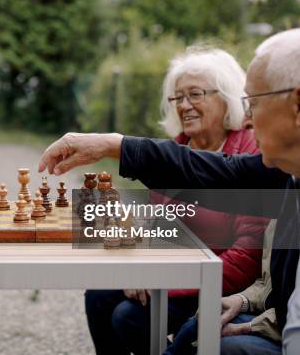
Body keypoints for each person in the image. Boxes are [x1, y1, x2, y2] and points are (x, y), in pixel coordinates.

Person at [39, 27, 300, 353]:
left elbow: (246, 252)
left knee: (138, 319)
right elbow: (197, 181)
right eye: (178, 97)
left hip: (224, 293)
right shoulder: (292, 176)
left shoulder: (277, 166)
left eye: (254, 103)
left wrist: (170, 286)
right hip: (249, 307)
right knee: (104, 296)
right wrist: (111, 146)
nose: (248, 117)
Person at [84, 48, 268, 354]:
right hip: (174, 277)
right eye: (177, 97)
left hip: (221, 283)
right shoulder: (177, 150)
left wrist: (164, 282)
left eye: (195, 94)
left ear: (227, 97)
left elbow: (248, 259)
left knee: (129, 316)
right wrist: (136, 268)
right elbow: (156, 228)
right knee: (98, 295)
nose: (184, 106)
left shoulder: (248, 153)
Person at [165, 221, 281, 355]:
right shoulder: (287, 211)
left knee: (216, 343)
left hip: (283, 328)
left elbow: (244, 258)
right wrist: (241, 300)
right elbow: (268, 283)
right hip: (195, 283)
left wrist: (251, 326)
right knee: (199, 324)